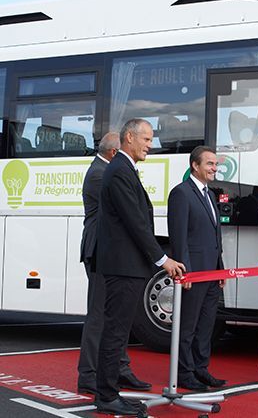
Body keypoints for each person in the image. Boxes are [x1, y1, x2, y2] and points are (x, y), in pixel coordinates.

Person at [94, 119, 185, 416]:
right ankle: (106, 396)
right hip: (123, 266)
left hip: (128, 265)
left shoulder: (123, 169)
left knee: (118, 332)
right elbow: (135, 222)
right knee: (116, 332)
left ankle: (110, 391)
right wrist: (162, 259)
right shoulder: (119, 170)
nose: (150, 144)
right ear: (129, 138)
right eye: (146, 139)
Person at [77, 132, 151, 395]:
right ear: (113, 152)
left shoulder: (107, 170)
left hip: (109, 251)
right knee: (99, 315)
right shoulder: (102, 174)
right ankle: (88, 374)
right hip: (100, 251)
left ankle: (119, 368)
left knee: (117, 315)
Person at [168, 146, 226, 391]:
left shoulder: (209, 194)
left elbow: (214, 235)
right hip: (194, 273)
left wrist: (220, 268)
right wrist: (185, 271)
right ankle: (184, 373)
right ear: (195, 165)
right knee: (187, 326)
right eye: (210, 164)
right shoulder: (181, 193)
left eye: (215, 164)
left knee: (206, 326)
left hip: (212, 273)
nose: (215, 168)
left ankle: (201, 369)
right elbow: (179, 237)